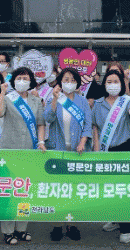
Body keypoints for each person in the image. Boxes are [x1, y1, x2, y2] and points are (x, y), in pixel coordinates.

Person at [0, 66, 46, 245]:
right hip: (9, 149)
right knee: (10, 191)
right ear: (13, 81)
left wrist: (41, 142)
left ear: (31, 81)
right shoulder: (9, 98)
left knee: (25, 191)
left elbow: (40, 124)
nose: (22, 81)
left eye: (25, 78)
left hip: (29, 150)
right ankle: (8, 231)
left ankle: (21, 228)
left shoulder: (36, 100)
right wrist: (2, 92)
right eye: (19, 78)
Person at [92, 69, 130, 244]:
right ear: (104, 84)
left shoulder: (126, 101)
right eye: (109, 82)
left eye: (116, 82)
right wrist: (97, 149)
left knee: (124, 189)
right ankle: (115, 219)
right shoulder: (98, 103)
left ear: (121, 84)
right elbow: (95, 127)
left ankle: (126, 227)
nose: (112, 85)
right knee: (110, 188)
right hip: (106, 151)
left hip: (124, 149)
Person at [44, 67, 92, 241]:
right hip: (58, 151)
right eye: (66, 79)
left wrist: (82, 142)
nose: (69, 83)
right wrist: (55, 99)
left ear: (77, 83)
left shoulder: (82, 101)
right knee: (58, 190)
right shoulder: (54, 98)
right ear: (60, 82)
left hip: (77, 153)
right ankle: (57, 226)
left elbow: (87, 124)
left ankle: (72, 225)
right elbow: (47, 118)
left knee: (74, 190)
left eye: (73, 80)